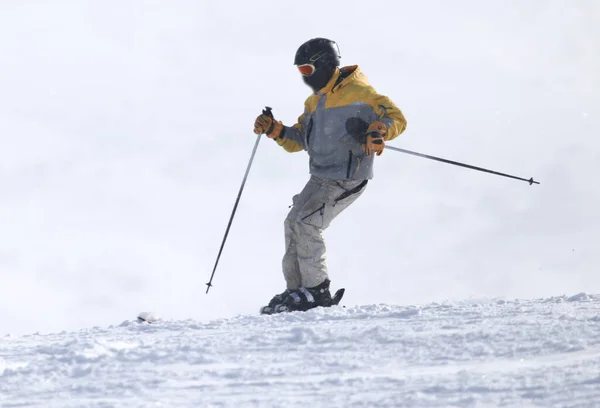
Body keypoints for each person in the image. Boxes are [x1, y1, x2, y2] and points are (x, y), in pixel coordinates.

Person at [254, 38, 407, 314]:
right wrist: (276, 130)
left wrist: (379, 131)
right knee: (293, 223)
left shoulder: (361, 92)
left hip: (347, 176)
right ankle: (297, 290)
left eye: (307, 71)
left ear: (325, 65)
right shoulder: (313, 103)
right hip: (320, 178)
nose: (304, 78)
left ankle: (316, 291)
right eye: (300, 72)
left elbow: (396, 117)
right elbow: (299, 140)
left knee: (308, 223)